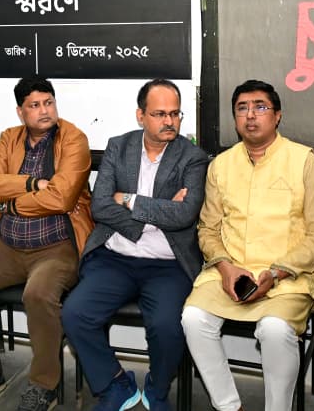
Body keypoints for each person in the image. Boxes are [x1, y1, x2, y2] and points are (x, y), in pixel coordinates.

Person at [181, 80, 314, 411]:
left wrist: (276, 273)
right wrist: (225, 268)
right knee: (193, 318)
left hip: (286, 277)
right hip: (229, 273)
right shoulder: (221, 165)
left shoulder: (303, 160)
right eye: (242, 108)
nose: (251, 115)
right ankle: (228, 406)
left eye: (260, 107)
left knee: (275, 330)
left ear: (277, 116)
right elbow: (208, 229)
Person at [0, 77, 93, 411]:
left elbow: (61, 198)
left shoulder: (74, 139)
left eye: (49, 102)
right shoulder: (9, 138)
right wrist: (31, 183)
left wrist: (11, 204)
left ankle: (44, 385)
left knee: (38, 294)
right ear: (20, 111)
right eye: (35, 105)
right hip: (8, 246)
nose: (44, 111)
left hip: (57, 246)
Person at [62, 79, 208, 411]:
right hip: (115, 258)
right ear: (141, 115)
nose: (169, 121)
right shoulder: (119, 146)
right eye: (160, 114)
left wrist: (128, 199)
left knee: (167, 327)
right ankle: (115, 384)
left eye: (175, 113)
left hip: (167, 265)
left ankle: (157, 388)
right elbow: (100, 206)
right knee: (75, 314)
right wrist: (155, 215)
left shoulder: (193, 158)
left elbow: (184, 214)